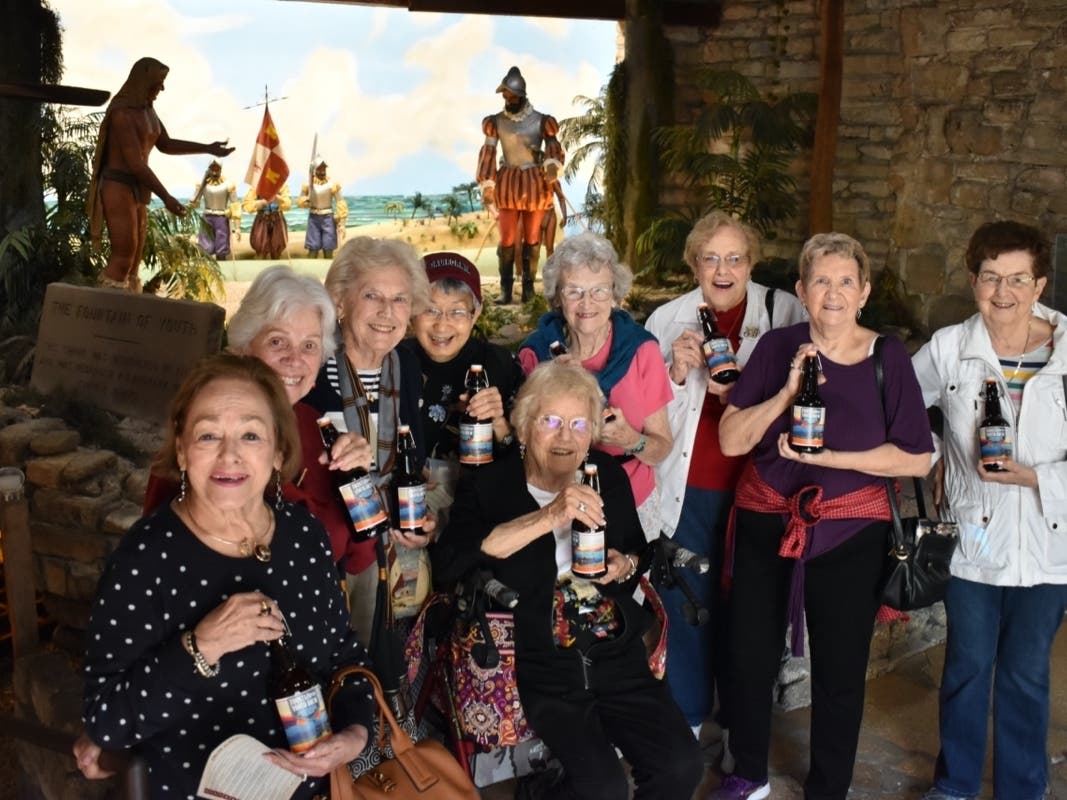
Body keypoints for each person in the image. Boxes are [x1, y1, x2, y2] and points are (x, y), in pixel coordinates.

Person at [76, 354, 375, 799]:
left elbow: (344, 654)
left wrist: (354, 735)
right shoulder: (146, 557)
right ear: (181, 450)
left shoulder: (302, 532)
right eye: (208, 434)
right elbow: (106, 719)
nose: (229, 455)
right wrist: (202, 646)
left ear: (277, 451)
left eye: (251, 434)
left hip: (317, 789)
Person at [712, 232, 933, 800]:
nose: (832, 292)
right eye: (820, 281)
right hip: (766, 520)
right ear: (801, 291)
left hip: (850, 531)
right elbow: (733, 441)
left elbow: (915, 455)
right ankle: (749, 773)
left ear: (862, 292)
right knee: (749, 656)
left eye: (844, 281)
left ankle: (828, 787)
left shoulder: (887, 358)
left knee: (839, 670)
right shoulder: (777, 347)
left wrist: (833, 458)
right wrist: (786, 394)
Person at [431, 360, 703, 799]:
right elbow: (453, 562)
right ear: (523, 427)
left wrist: (624, 566)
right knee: (602, 787)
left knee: (682, 764)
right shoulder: (490, 485)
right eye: (551, 421)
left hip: (614, 651)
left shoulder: (605, 475)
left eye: (579, 423)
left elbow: (634, 552)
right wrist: (551, 515)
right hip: (541, 660)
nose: (566, 436)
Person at [912, 221, 1067, 800]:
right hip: (973, 539)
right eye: (991, 277)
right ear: (974, 280)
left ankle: (1021, 790)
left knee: (1027, 674)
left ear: (1040, 283)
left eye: (1018, 279)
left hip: (1051, 541)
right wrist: (932, 455)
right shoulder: (951, 347)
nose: (1004, 291)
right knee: (968, 670)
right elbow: (900, 407)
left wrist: (1034, 476)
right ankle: (953, 787)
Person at [644, 210, 806, 759]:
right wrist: (673, 371)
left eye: (734, 257)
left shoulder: (784, 311)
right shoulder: (666, 318)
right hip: (689, 487)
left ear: (751, 263)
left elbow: (809, 390)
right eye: (710, 257)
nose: (723, 269)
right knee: (686, 601)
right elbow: (644, 411)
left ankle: (742, 726)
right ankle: (687, 720)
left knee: (750, 612)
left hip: (760, 487)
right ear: (694, 263)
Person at [140, 265, 373, 566]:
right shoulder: (202, 433)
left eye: (309, 346)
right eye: (277, 341)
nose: (294, 359)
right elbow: (153, 559)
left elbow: (359, 558)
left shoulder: (317, 429)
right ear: (244, 349)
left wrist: (359, 481)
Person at [303, 236, 430, 642]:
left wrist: (427, 520)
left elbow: (413, 463)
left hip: (394, 557)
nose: (386, 312)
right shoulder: (311, 368)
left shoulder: (406, 366)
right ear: (340, 301)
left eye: (399, 299)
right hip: (329, 556)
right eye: (372, 295)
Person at [519, 231, 673, 538]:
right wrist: (552, 386)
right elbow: (522, 445)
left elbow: (661, 449)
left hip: (631, 500)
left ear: (615, 295)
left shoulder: (642, 350)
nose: (586, 303)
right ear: (557, 298)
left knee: (625, 581)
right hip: (556, 503)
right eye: (573, 291)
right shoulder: (536, 353)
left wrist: (632, 440)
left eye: (599, 291)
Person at [87, 56, 234, 290]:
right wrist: (166, 198)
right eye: (158, 82)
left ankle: (127, 307)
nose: (162, 88)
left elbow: (165, 144)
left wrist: (207, 147)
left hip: (138, 188)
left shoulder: (148, 111)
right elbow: (135, 164)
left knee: (134, 260)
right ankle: (106, 313)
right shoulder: (122, 114)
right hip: (119, 186)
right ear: (142, 81)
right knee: (123, 256)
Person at [400, 251, 524, 523]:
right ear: (411, 311)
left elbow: (525, 459)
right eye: (430, 309)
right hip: (409, 500)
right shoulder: (394, 362)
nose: (441, 324)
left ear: (475, 313)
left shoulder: (501, 366)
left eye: (456, 311)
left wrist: (500, 423)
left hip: (487, 503)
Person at [476, 65, 565, 305]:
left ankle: (528, 289)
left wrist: (552, 165)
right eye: (505, 96)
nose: (507, 99)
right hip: (508, 184)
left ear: (521, 96)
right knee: (506, 239)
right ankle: (506, 290)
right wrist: (487, 184)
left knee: (532, 237)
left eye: (511, 96)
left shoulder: (541, 121)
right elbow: (489, 152)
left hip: (534, 184)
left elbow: (553, 147)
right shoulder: (495, 122)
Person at [297, 158, 348, 258]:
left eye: (323, 169)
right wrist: (305, 201)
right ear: (314, 170)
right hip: (313, 217)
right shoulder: (308, 184)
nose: (322, 171)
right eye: (319, 169)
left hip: (328, 218)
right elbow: (300, 201)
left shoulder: (332, 184)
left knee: (328, 248)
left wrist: (342, 223)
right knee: (313, 249)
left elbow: (340, 202)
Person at [189, 159, 240, 259]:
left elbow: (235, 205)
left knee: (221, 248)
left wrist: (237, 227)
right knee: (205, 248)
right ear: (209, 170)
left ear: (221, 170)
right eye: (212, 170)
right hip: (207, 218)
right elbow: (193, 202)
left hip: (221, 218)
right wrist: (203, 181)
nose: (214, 172)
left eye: (217, 170)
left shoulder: (228, 184)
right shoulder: (203, 184)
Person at [243, 184, 293, 260]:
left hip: (277, 218)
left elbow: (287, 204)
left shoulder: (282, 185)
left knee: (277, 249)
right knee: (260, 248)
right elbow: (247, 205)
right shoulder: (257, 185)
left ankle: (276, 268)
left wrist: (277, 198)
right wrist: (263, 202)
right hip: (262, 218)